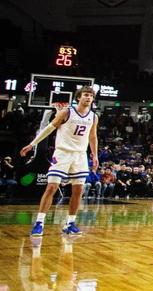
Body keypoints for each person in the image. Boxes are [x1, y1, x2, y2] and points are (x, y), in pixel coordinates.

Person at [21, 86, 98, 237]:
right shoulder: (67, 112)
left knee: (78, 190)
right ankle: (39, 223)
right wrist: (32, 144)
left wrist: (94, 155)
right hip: (63, 153)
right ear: (78, 98)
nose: (88, 97)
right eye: (85, 95)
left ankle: (70, 223)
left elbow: (93, 137)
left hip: (80, 155)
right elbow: (49, 128)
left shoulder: (93, 117)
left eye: (90, 95)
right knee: (52, 187)